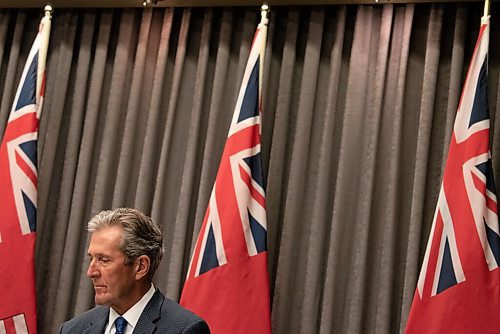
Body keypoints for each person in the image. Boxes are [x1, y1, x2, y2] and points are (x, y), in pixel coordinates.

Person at [59, 208, 210, 334]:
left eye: (104, 260)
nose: (91, 272)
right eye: (91, 259)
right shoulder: (72, 330)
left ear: (141, 267)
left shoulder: (185, 330)